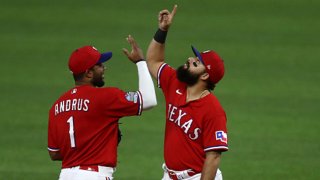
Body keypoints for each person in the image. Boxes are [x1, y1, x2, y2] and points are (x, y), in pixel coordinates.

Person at [47, 35, 157, 180]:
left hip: (65, 175)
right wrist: (140, 62)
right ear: (88, 73)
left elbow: (54, 153)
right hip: (94, 175)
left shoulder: (57, 106)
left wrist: (88, 144)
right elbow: (149, 100)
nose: (104, 68)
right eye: (99, 65)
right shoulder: (105, 97)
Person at [146, 5, 228, 180]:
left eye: (196, 63)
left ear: (205, 75)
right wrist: (162, 30)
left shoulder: (213, 109)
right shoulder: (175, 82)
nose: (190, 59)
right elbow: (153, 60)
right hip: (169, 175)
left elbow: (213, 157)